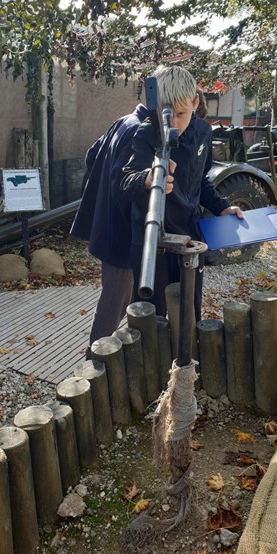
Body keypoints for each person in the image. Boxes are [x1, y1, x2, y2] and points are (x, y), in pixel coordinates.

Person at [121, 65, 243, 320]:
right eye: (168, 114)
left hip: (190, 238)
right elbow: (124, 180)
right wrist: (147, 179)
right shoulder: (146, 132)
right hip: (151, 241)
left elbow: (202, 182)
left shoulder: (203, 133)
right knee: (151, 317)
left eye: (181, 113)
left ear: (195, 102)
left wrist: (222, 207)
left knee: (189, 312)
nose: (174, 123)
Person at [70, 103, 149, 356]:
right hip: (122, 231)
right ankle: (93, 363)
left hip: (106, 222)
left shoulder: (123, 120)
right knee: (114, 302)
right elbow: (125, 185)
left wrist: (99, 190)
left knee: (118, 297)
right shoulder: (141, 130)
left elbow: (92, 155)